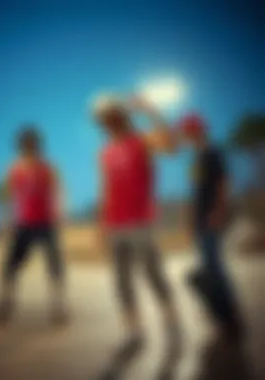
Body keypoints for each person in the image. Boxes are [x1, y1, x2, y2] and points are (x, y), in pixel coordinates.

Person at [92, 94, 179, 348]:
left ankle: (170, 318)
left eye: (112, 117)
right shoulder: (105, 152)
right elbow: (105, 189)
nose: (109, 123)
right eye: (104, 120)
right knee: (120, 280)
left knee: (152, 273)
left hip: (140, 221)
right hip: (115, 224)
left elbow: (172, 146)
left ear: (122, 118)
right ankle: (134, 329)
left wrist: (151, 110)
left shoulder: (140, 141)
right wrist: (101, 225)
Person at [0, 126, 68, 324]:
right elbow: (6, 197)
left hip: (46, 223)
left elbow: (59, 191)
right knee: (10, 266)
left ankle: (58, 306)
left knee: (55, 265)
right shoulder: (14, 169)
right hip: (23, 224)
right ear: (20, 146)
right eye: (26, 143)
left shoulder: (48, 167)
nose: (30, 147)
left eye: (33, 143)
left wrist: (60, 213)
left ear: (38, 145)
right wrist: (3, 221)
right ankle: (5, 302)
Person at [178, 113, 244, 340]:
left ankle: (230, 319)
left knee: (213, 270)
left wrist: (219, 211)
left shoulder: (213, 152)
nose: (185, 136)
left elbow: (223, 183)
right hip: (200, 220)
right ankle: (220, 314)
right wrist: (190, 222)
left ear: (197, 130)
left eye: (188, 131)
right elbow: (196, 193)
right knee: (207, 270)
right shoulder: (197, 157)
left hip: (211, 219)